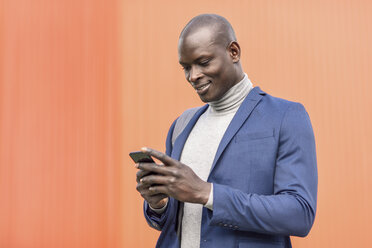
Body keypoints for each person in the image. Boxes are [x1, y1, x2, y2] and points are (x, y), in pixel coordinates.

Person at [135, 14, 317, 248]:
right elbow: (181, 221)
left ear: (233, 52)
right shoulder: (181, 124)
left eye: (203, 62)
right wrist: (158, 203)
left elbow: (299, 214)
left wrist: (207, 193)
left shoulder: (286, 117)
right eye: (186, 67)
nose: (193, 76)